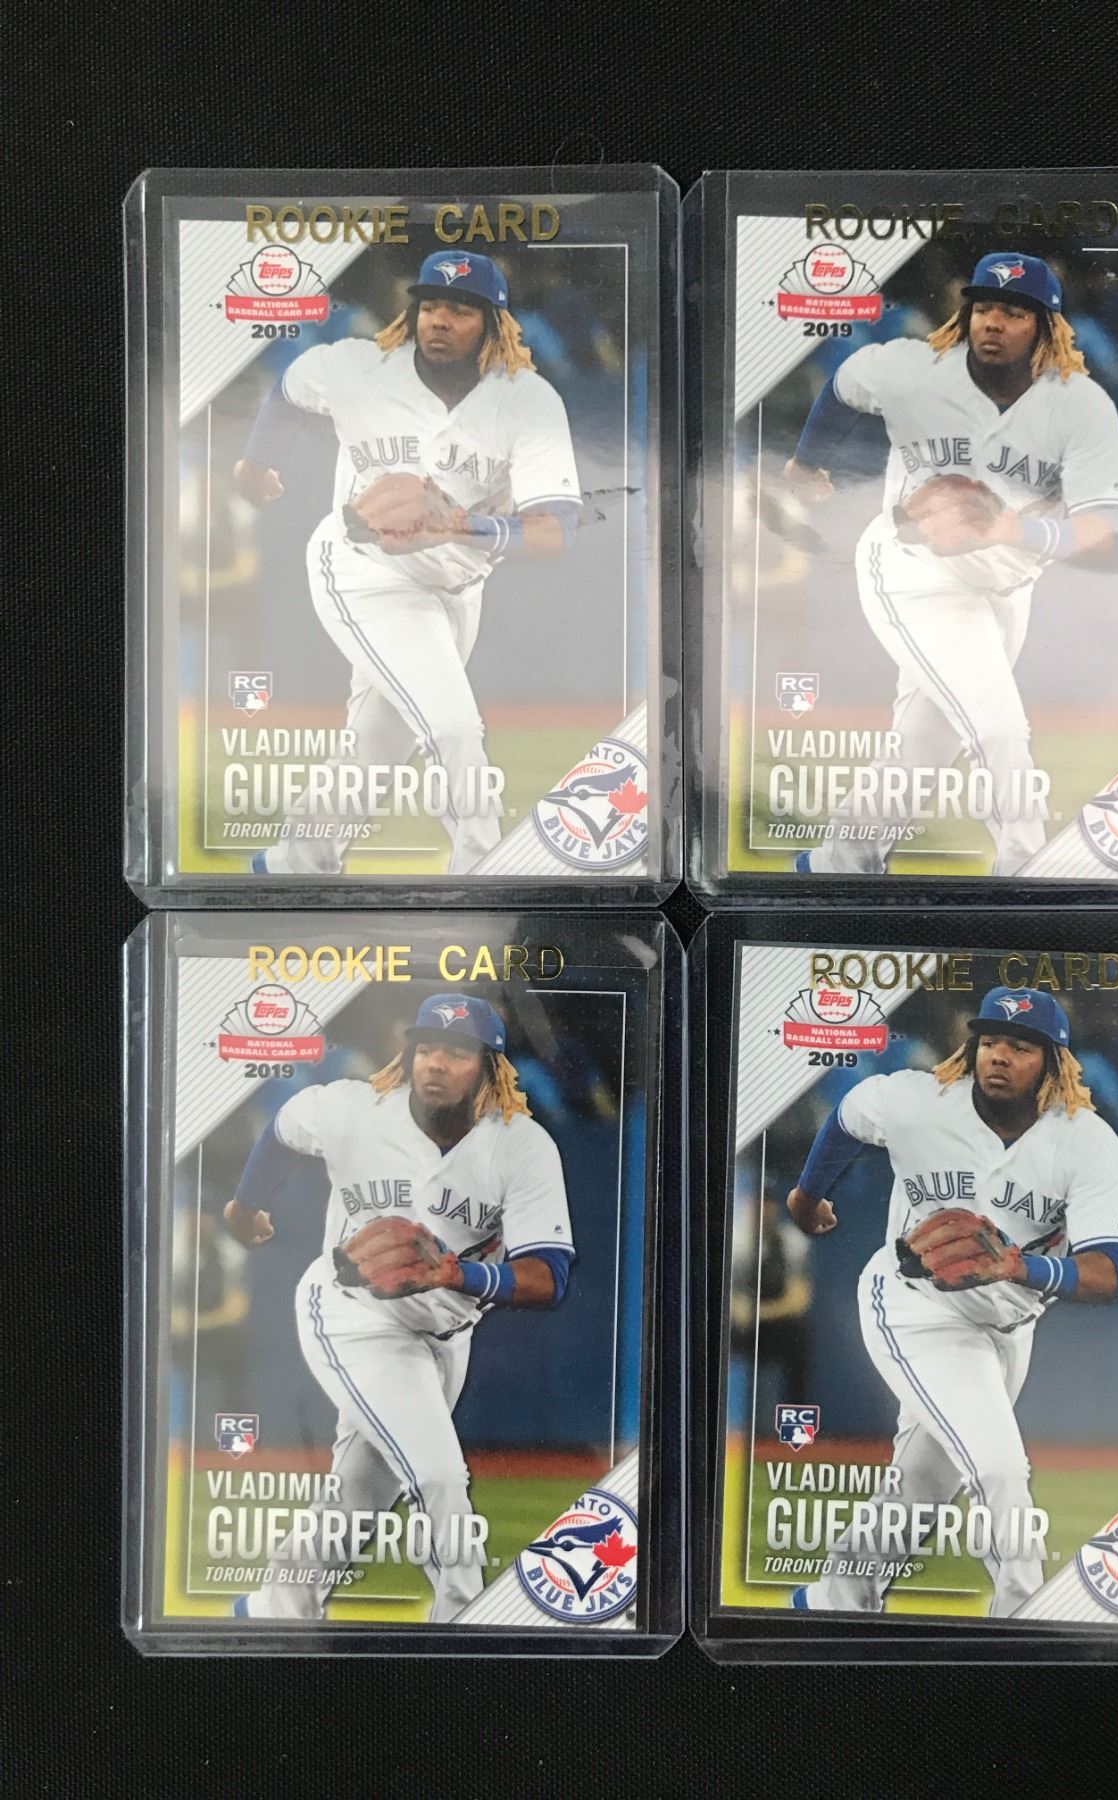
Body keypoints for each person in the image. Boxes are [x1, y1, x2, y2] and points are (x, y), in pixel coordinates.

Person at [783, 986, 1118, 1617]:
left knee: (920, 1486)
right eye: (990, 1040)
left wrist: (1022, 1267)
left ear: (1054, 1063)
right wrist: (807, 1198)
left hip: (1009, 1326)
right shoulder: (919, 1101)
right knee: (999, 1470)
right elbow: (848, 1116)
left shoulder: (1086, 1141)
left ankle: (831, 1601)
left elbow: (1110, 1272)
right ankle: (1023, 1622)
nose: (999, 1055)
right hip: (916, 1307)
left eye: (1021, 1046)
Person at [222, 994, 574, 1622]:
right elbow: (283, 1128)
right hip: (352, 1315)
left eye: (457, 1052)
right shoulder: (356, 1110)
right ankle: (463, 1624)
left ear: (490, 1068)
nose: (436, 1062)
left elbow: (548, 1276)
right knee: (438, 1477)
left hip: (446, 1335)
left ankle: (273, 1609)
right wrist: (246, 1206)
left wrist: (460, 1274)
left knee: (358, 1494)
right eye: (426, 1047)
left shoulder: (522, 1146)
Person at [234, 250, 581, 875]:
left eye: (461, 308)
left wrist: (466, 524)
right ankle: (482, 874)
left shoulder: (527, 401)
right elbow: (288, 388)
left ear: (495, 324)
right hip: (364, 572)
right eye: (430, 304)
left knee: (374, 748)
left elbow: (555, 532)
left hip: (456, 587)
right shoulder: (359, 367)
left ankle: (291, 863)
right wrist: (255, 465)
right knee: (453, 728)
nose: (439, 319)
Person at [786, 253, 1118, 876]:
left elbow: (1100, 535)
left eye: (1015, 311)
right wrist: (808, 463)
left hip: (1007, 587)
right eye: (984, 306)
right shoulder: (913, 368)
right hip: (916, 572)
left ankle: (835, 864)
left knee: (922, 748)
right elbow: (845, 383)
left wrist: (1014, 529)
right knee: (998, 731)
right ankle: (1026, 874)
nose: (993, 321)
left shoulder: (1080, 406)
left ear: (1048, 327)